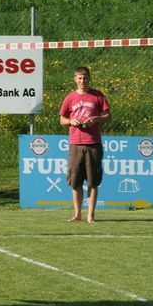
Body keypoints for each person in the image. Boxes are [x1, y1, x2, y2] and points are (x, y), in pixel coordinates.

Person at [59, 66, 111, 223]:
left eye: (85, 78)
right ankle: (77, 214)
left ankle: (91, 215)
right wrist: (70, 121)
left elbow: (108, 117)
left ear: (90, 78)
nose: (83, 81)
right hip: (75, 143)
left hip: (93, 143)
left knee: (93, 181)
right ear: (75, 79)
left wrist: (97, 119)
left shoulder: (97, 95)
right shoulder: (70, 97)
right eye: (80, 78)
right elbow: (62, 120)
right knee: (75, 181)